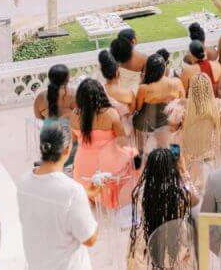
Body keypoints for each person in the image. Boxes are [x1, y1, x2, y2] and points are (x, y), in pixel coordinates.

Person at [17, 123, 97, 270]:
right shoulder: (72, 192)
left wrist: (83, 195)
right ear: (67, 150)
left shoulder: (23, 182)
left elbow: (49, 199)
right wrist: (88, 204)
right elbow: (89, 239)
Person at [127, 147, 200, 270]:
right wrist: (183, 170)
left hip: (148, 237)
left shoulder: (142, 192)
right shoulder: (180, 192)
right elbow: (196, 199)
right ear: (173, 168)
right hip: (176, 240)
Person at [71, 78, 137, 207]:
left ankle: (93, 197)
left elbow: (74, 140)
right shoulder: (110, 114)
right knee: (135, 156)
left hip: (82, 167)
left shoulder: (74, 115)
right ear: (101, 94)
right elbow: (122, 140)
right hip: (106, 166)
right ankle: (113, 196)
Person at [134, 52, 184, 149]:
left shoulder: (144, 88)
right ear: (164, 68)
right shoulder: (177, 82)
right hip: (170, 125)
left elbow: (138, 108)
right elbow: (182, 103)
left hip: (148, 126)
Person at [181, 73, 221, 165]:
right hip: (209, 158)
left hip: (190, 159)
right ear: (209, 88)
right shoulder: (217, 106)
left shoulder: (183, 107)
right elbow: (218, 135)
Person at [99, 50, 135, 130]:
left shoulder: (99, 91)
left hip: (107, 131)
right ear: (117, 71)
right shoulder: (128, 92)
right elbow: (132, 112)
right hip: (126, 130)